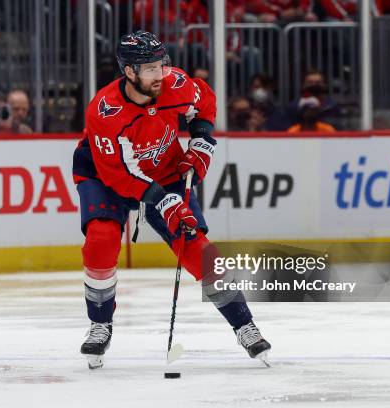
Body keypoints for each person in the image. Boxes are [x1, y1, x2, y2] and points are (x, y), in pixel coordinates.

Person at [72, 30, 271, 369]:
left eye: (160, 65)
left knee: (195, 244)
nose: (159, 74)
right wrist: (163, 202)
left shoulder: (174, 83)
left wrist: (202, 144)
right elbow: (119, 174)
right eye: (149, 69)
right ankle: (100, 322)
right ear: (129, 72)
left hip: (164, 170)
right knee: (101, 239)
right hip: (104, 175)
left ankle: (244, 325)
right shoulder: (104, 112)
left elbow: (204, 102)